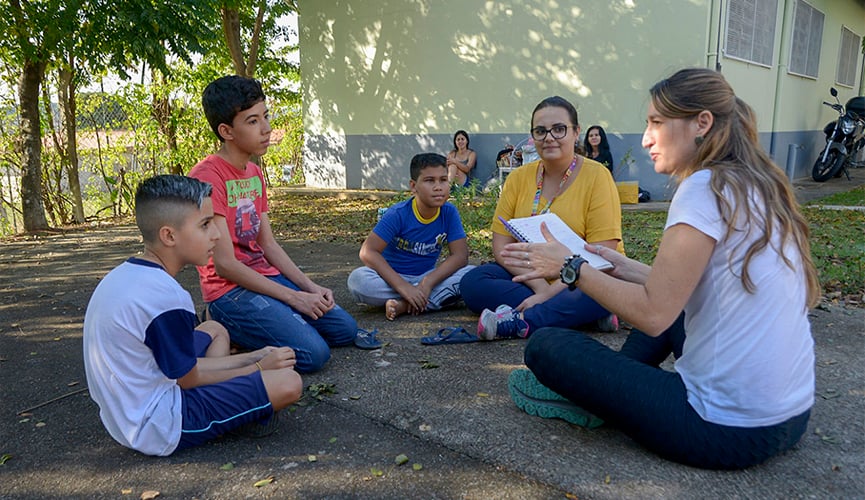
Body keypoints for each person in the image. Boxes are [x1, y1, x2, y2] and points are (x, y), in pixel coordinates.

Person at [503, 68, 818, 470]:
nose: (647, 138)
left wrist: (571, 267)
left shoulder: (703, 189)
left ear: (701, 123)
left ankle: (601, 396)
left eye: (656, 123)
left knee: (546, 344)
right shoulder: (755, 184)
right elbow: (688, 287)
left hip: (726, 429)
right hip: (791, 418)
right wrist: (617, 265)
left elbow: (654, 314)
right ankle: (611, 392)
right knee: (660, 319)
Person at [83, 175, 302, 456]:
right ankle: (234, 412)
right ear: (169, 236)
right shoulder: (167, 298)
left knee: (213, 328)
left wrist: (253, 355)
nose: (217, 234)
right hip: (159, 424)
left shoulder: (125, 275)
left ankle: (235, 397)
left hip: (125, 413)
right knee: (288, 382)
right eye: (205, 224)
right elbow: (187, 380)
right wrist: (259, 367)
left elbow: (182, 371)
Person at [188, 75, 358, 374]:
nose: (266, 128)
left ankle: (260, 327)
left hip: (265, 278)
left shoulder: (254, 171)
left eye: (265, 116)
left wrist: (309, 287)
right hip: (230, 292)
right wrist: (295, 299)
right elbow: (225, 265)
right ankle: (220, 319)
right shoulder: (207, 176)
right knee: (313, 353)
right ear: (226, 130)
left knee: (345, 330)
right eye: (253, 121)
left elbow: (267, 244)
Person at [460, 96, 623, 340]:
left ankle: (522, 322)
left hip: (585, 275)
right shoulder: (518, 178)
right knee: (473, 282)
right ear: (532, 136)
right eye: (540, 131)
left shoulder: (597, 176)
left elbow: (602, 253)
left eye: (559, 129)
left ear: (576, 132)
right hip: (530, 276)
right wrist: (541, 289)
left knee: (600, 290)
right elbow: (501, 247)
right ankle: (581, 316)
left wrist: (549, 293)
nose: (549, 137)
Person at [347, 153, 475, 320]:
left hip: (427, 277)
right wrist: (403, 287)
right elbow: (367, 252)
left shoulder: (449, 212)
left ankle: (404, 305)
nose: (438, 187)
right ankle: (422, 299)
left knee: (471, 276)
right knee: (358, 280)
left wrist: (428, 282)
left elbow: (460, 256)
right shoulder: (398, 214)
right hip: (391, 279)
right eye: (430, 181)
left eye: (443, 180)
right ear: (413, 186)